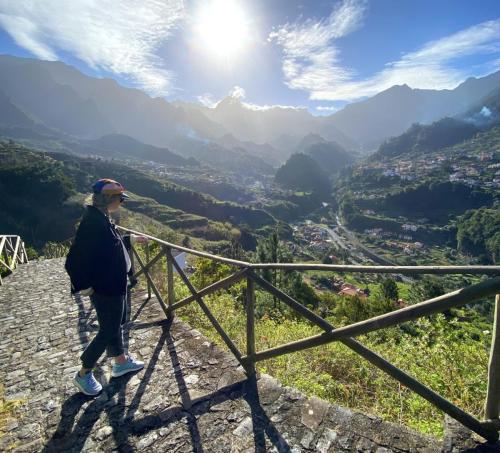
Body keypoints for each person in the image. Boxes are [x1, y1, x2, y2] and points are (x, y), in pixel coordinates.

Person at [65, 178, 145, 396]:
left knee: (116, 323)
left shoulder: (100, 218)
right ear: (109, 198)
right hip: (105, 288)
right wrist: (85, 287)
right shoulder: (93, 224)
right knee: (108, 329)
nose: (121, 202)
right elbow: (73, 261)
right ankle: (83, 374)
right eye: (119, 198)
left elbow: (110, 245)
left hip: (114, 284)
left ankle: (120, 362)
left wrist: (130, 239)